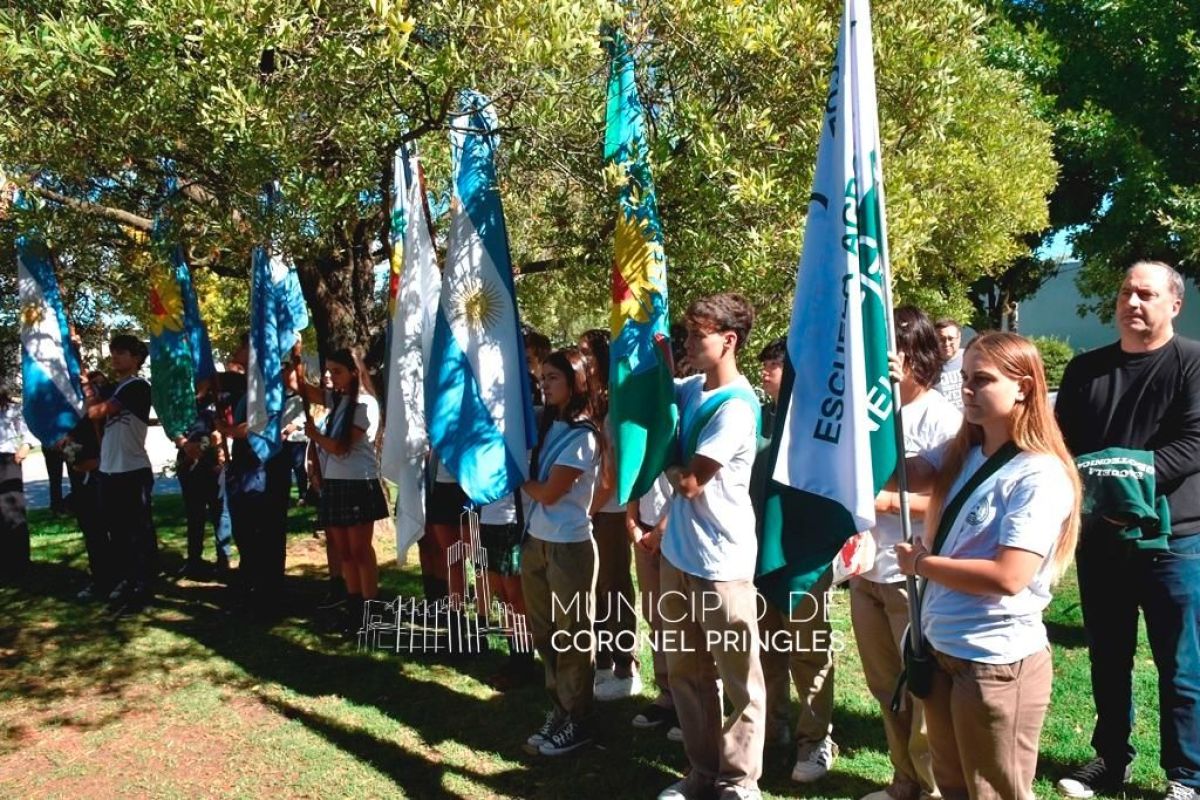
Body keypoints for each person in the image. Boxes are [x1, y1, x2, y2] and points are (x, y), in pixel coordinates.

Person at [894, 331, 1081, 800]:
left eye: (982, 379)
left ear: (1023, 387)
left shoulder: (1038, 473)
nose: (967, 389)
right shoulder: (964, 450)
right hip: (942, 647)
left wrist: (922, 563)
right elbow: (901, 474)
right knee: (953, 784)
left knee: (993, 791)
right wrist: (877, 406)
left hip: (994, 661)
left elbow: (1009, 576)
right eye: (964, 378)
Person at [1054, 260, 1200, 800]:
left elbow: (1193, 444)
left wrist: (1113, 480)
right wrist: (1100, 494)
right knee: (1108, 658)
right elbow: (1061, 446)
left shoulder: (1193, 363)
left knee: (1180, 666)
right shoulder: (1085, 370)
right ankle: (1110, 760)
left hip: (1175, 541)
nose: (1131, 302)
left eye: (1145, 294)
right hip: (1102, 541)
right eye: (1124, 293)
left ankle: (1187, 776)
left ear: (1174, 304)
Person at [657, 293, 766, 800]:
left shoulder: (737, 407)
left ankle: (740, 781)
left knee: (739, 679)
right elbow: (658, 390)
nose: (688, 343)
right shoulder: (693, 388)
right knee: (687, 672)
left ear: (729, 340)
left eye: (697, 336)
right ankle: (702, 772)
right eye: (686, 334)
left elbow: (691, 483)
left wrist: (662, 458)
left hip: (722, 562)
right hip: (680, 554)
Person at [852, 307, 961, 800]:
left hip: (911, 574)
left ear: (916, 356)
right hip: (867, 568)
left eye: (890, 352)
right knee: (884, 686)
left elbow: (946, 497)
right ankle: (903, 780)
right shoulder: (871, 413)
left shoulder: (942, 418)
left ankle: (932, 786)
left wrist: (886, 501)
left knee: (921, 687)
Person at [753, 332, 841, 783]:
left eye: (773, 366)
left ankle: (815, 738)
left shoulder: (820, 425)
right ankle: (772, 730)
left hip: (804, 556)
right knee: (766, 649)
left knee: (808, 651)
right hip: (757, 552)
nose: (765, 374)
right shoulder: (758, 419)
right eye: (765, 366)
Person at [520, 347, 603, 757]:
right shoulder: (545, 423)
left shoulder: (583, 435)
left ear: (576, 382)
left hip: (569, 544)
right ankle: (559, 708)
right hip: (535, 539)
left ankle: (579, 718)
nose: (544, 384)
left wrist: (514, 479)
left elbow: (551, 492)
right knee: (544, 631)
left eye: (553, 378)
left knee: (573, 633)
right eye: (543, 378)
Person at [301, 348, 389, 633]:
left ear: (354, 372)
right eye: (328, 371)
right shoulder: (337, 400)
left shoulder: (364, 404)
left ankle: (371, 608)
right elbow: (304, 390)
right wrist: (295, 360)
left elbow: (341, 447)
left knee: (359, 550)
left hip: (358, 482)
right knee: (344, 551)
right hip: (335, 483)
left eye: (337, 371)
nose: (331, 376)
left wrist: (315, 436)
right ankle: (354, 607)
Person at [579, 327, 637, 701]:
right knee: (594, 588)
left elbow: (611, 472)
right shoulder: (590, 403)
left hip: (610, 509)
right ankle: (601, 659)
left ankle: (625, 664)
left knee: (613, 586)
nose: (581, 359)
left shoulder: (618, 403)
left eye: (587, 352)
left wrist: (590, 509)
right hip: (590, 507)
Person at [88, 334, 157, 608]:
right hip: (109, 469)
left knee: (137, 532)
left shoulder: (137, 386)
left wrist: (91, 397)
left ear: (136, 358)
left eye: (122, 352)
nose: (115, 357)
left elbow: (97, 412)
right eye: (113, 351)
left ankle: (143, 585)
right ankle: (124, 580)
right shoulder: (114, 388)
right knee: (116, 532)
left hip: (132, 470)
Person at [173, 386, 233, 579]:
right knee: (194, 515)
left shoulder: (218, 399)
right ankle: (194, 561)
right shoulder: (182, 403)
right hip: (188, 465)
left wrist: (202, 447)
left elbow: (220, 432)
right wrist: (186, 447)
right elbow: (175, 431)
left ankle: (223, 560)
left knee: (220, 513)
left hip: (212, 464)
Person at [63, 371, 110, 599]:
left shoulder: (104, 410)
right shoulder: (73, 414)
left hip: (106, 475)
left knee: (113, 529)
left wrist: (99, 462)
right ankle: (101, 579)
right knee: (92, 531)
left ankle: (121, 577)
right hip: (82, 479)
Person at [0, 383, 32, 580]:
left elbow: (28, 428)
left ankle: (19, 564)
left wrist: (26, 446)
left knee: (12, 510)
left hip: (7, 459)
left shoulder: (11, 409)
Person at [934, 318, 964, 411]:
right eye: (941, 339)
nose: (946, 343)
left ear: (959, 338)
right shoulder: (929, 365)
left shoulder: (969, 358)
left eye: (951, 338)